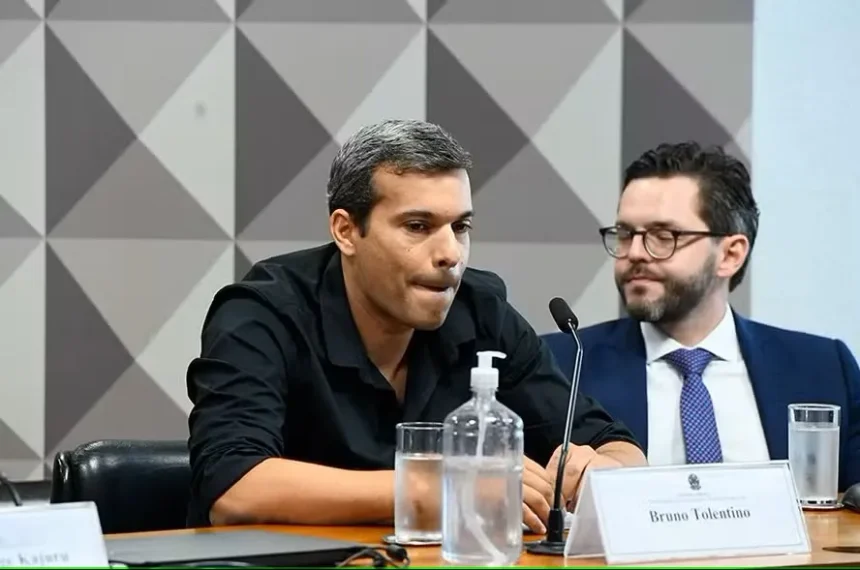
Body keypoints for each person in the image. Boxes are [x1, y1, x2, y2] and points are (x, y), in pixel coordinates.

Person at [185, 119, 645, 531]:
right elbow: (234, 489)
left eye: (460, 227)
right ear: (346, 231)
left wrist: (603, 474)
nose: (451, 254)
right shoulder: (262, 312)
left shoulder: (482, 310)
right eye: (418, 226)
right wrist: (440, 487)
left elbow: (616, 446)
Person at [553, 141, 860, 489]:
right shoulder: (561, 366)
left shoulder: (823, 369)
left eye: (662, 235)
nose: (635, 252)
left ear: (730, 254)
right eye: (625, 234)